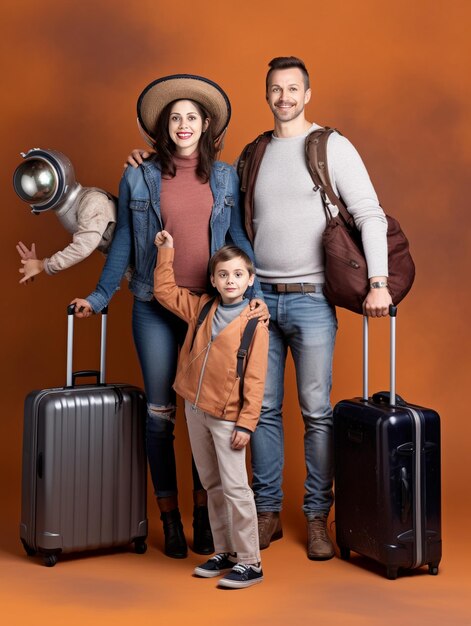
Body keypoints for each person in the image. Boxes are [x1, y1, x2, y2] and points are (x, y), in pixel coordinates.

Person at [125, 58, 392, 561]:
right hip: (255, 299)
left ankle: (317, 518)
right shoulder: (254, 153)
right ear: (266, 95)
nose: (284, 97)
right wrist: (145, 162)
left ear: (308, 94)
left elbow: (369, 214)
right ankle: (266, 511)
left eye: (293, 89)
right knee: (261, 411)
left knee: (315, 413)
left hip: (313, 299)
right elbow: (202, 188)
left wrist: (377, 281)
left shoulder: (331, 146)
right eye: (275, 89)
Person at [71, 74, 266, 560]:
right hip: (154, 308)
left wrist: (253, 292)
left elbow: (238, 238)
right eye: (175, 118)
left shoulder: (223, 177)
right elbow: (121, 243)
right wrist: (98, 296)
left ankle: (205, 515)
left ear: (206, 127)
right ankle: (170, 519)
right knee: (161, 417)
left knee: (207, 412)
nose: (183, 125)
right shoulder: (137, 176)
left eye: (191, 118)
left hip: (211, 310)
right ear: (164, 127)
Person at [154, 231, 268, 588]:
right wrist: (166, 251)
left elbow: (255, 380)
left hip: (228, 417)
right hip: (195, 408)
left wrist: (246, 424)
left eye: (237, 274)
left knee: (236, 488)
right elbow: (164, 292)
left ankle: (250, 561)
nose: (230, 280)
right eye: (223, 274)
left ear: (250, 280)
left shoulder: (254, 323)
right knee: (212, 484)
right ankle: (226, 551)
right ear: (214, 280)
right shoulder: (203, 306)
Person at [14, 148, 116, 284]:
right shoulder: (76, 206)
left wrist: (43, 265)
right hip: (135, 268)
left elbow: (83, 246)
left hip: (147, 259)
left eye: (44, 180)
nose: (42, 189)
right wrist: (36, 264)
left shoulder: (93, 200)